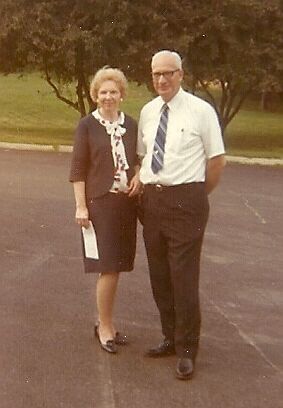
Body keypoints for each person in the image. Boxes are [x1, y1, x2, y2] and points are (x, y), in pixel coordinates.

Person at [138, 50, 226, 380]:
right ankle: (170, 337)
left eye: (168, 73)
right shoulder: (149, 111)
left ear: (181, 74)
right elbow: (145, 157)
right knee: (159, 275)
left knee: (183, 278)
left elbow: (216, 162)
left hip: (186, 202)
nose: (162, 80)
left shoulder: (201, 111)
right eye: (156, 74)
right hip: (153, 202)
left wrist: (193, 197)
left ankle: (188, 350)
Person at [69, 67, 140, 354]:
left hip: (126, 205)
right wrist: (80, 206)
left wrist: (138, 175)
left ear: (121, 95)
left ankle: (105, 322)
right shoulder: (87, 125)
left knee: (117, 266)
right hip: (100, 205)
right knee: (108, 267)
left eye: (113, 91)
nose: (108, 96)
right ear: (95, 95)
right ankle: (105, 327)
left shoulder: (131, 125)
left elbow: (136, 159)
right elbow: (78, 169)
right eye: (103, 92)